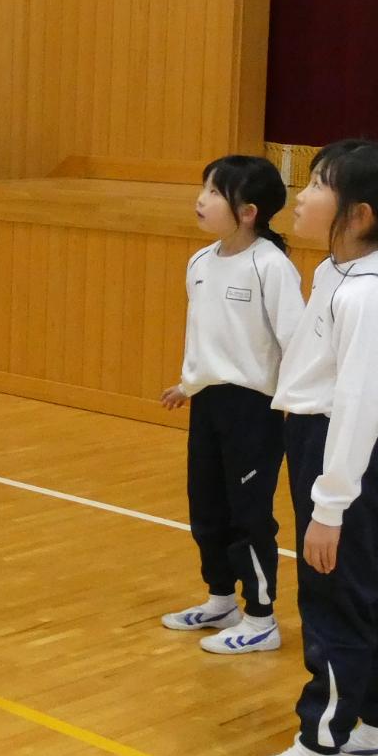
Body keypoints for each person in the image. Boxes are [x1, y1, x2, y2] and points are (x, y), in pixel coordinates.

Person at [224, 140, 378, 756]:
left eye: (319, 184)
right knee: (365, 588)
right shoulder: (337, 274)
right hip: (323, 443)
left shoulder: (370, 294)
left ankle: (319, 749)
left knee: (335, 598)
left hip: (348, 453)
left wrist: (329, 508)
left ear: (360, 213)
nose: (306, 194)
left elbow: (358, 410)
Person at [159, 155, 302, 655]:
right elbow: (206, 335)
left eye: (215, 193)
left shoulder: (271, 266)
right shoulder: (199, 262)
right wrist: (189, 383)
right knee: (207, 505)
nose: (201, 199)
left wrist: (294, 404)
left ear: (248, 211)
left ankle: (261, 617)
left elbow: (294, 341)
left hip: (255, 410)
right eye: (203, 188)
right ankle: (222, 598)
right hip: (210, 405)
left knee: (249, 513)